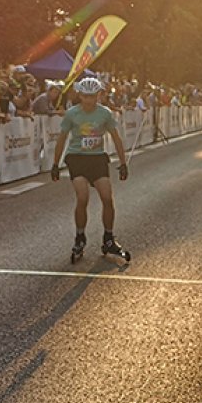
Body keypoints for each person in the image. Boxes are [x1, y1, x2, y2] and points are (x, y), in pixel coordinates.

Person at [49, 77, 131, 264]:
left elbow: (116, 138)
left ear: (98, 96)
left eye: (93, 97)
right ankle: (80, 237)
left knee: (107, 198)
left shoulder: (105, 113)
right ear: (80, 95)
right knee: (83, 197)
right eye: (85, 97)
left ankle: (108, 239)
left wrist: (123, 163)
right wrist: (55, 164)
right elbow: (61, 139)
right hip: (76, 157)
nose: (89, 101)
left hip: (97, 158)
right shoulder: (72, 114)